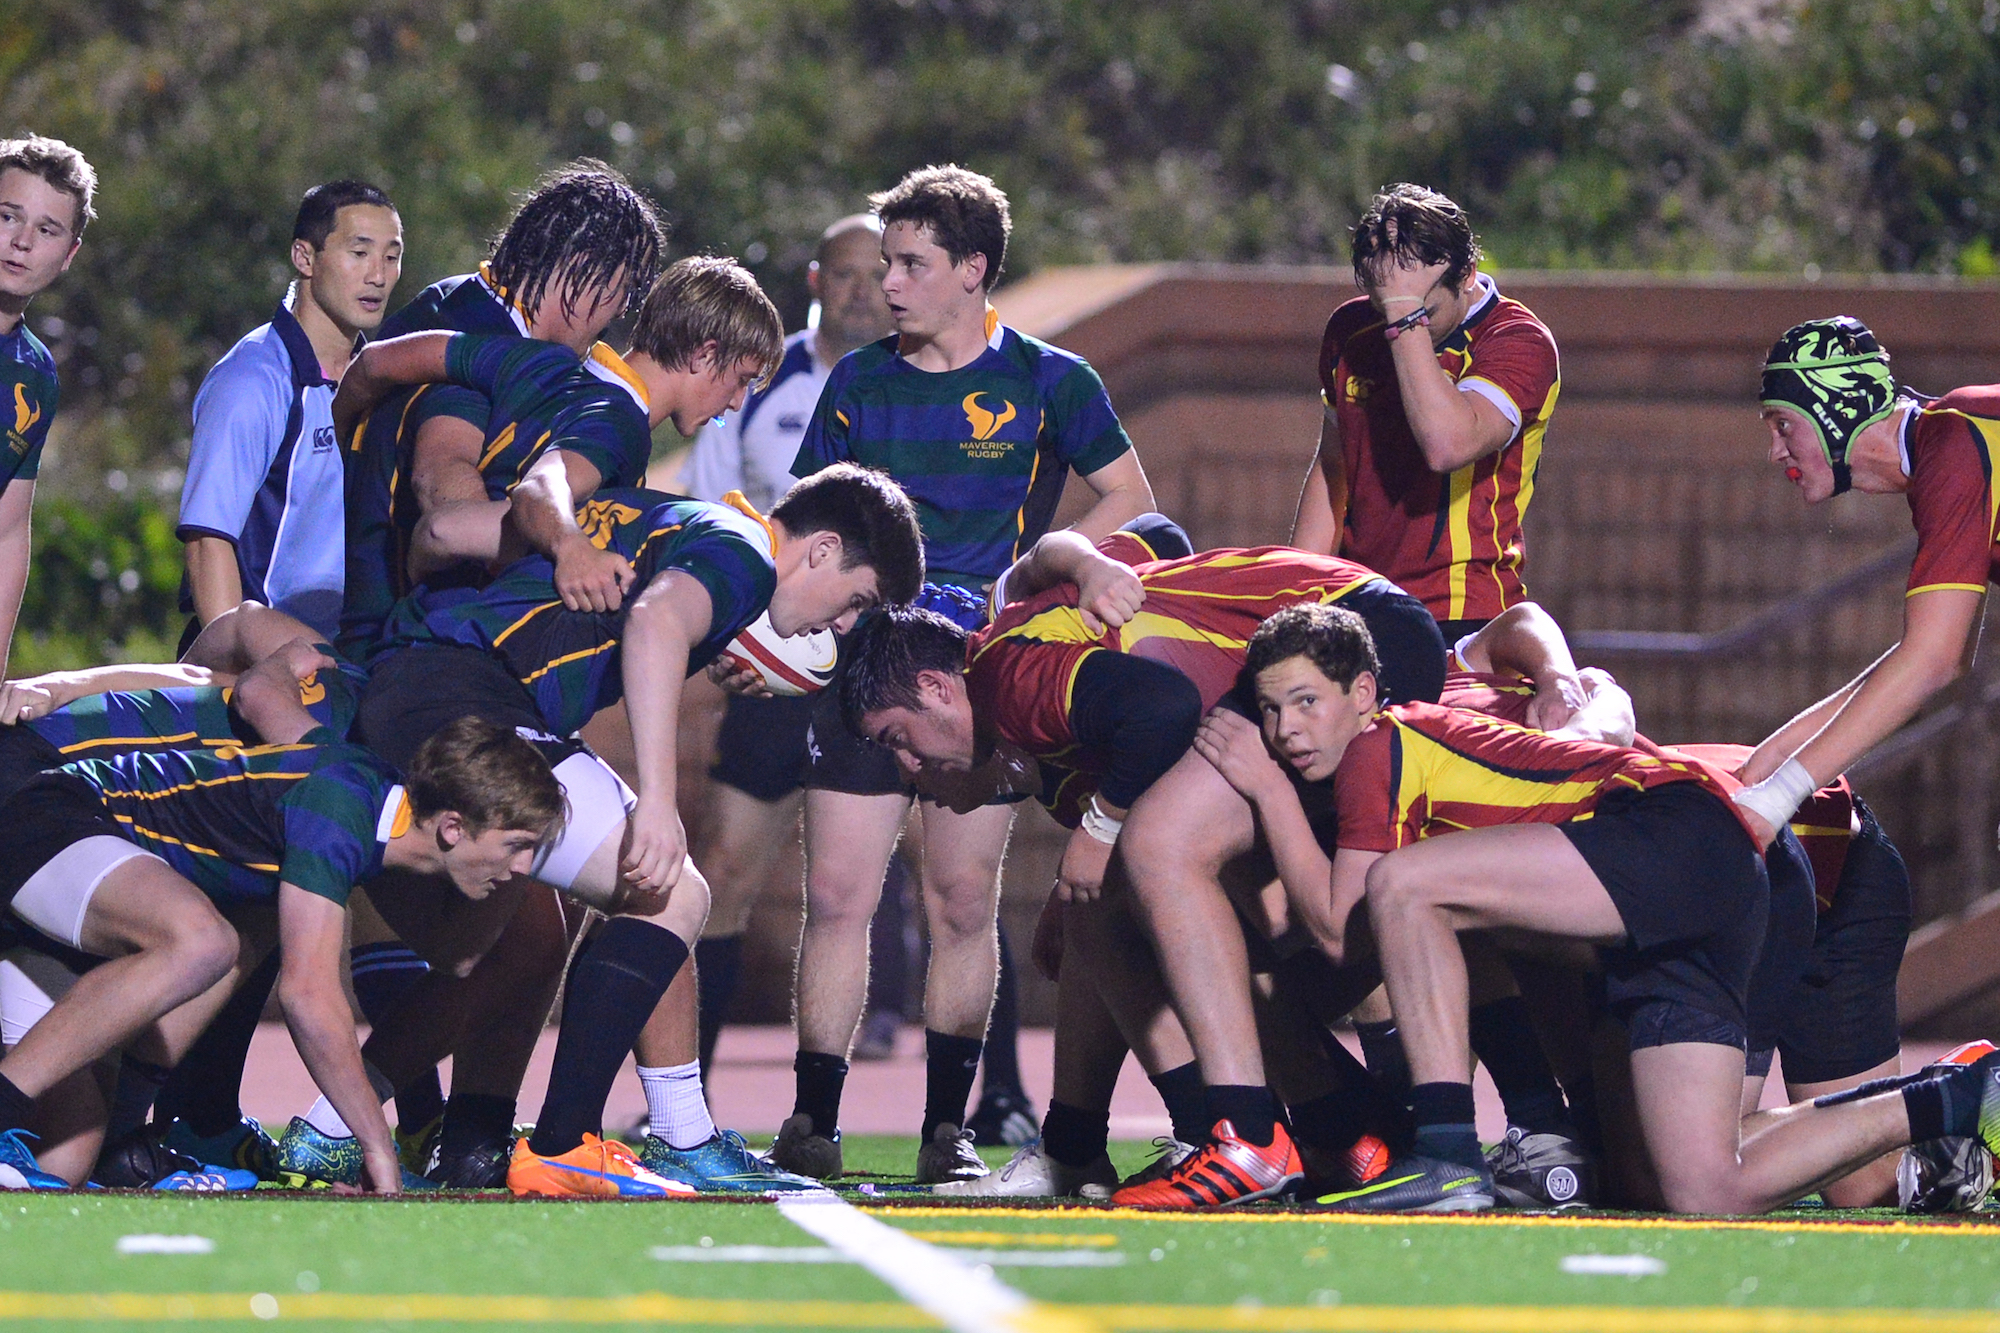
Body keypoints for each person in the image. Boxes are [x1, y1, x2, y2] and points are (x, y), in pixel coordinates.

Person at [1194, 603, 1998, 1217]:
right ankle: (1952, 1096)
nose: (1285, 729)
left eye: (1303, 701)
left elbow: (1341, 925)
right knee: (1697, 1186)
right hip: (1717, 873)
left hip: (1688, 843)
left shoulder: (1381, 743)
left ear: (1363, 692)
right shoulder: (1440, 757)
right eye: (1270, 712)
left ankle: (1446, 1156)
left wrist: (1265, 793)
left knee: (1404, 883)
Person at [352, 462, 921, 1198]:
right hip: (474, 699)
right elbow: (655, 621)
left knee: (512, 940)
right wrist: (658, 798)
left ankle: (338, 1126)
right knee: (672, 893)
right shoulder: (745, 553)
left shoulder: (676, 515)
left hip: (415, 680)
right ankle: (571, 1143)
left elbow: (441, 530)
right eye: (855, 599)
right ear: (820, 549)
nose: (841, 626)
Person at [843, 529, 1444, 1205]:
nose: (907, 767)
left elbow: (1162, 703)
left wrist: (1099, 830)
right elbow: (1148, 552)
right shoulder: (1039, 715)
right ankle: (1334, 1131)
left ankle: (1245, 1137)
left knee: (1157, 849)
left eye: (898, 738)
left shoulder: (1004, 671)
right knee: (1101, 903)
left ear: (935, 685)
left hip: (1351, 638)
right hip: (1343, 641)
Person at [777, 164, 1155, 1185]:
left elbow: (1127, 493)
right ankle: (811, 1120)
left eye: (911, 263)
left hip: (977, 682)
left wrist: (1032, 584)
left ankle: (948, 1131)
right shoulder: (859, 382)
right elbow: (804, 528)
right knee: (839, 891)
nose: (887, 283)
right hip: (866, 674)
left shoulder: (1048, 378)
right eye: (887, 261)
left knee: (957, 899)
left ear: (972, 270)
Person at [0, 647, 562, 1194]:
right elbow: (310, 998)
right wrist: (374, 1149)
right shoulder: (339, 813)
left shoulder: (357, 789)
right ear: (452, 829)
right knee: (203, 941)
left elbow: (263, 695)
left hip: (72, 875)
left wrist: (279, 667)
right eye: (516, 845)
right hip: (50, 816)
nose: (521, 869)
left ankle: (117, 1138)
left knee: (67, 1160)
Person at [676, 213, 905, 1081]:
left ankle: (983, 1109)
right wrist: (734, 637)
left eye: (873, 272)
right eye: (841, 273)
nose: (857, 289)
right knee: (724, 865)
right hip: (776, 663)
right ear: (815, 280)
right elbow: (714, 514)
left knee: (947, 871)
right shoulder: (758, 386)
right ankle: (681, 1096)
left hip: (886, 665)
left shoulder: (921, 387)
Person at [337, 159, 663, 660]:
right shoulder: (487, 342)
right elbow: (443, 480)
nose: (620, 310)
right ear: (580, 265)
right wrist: (557, 551)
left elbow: (365, 372)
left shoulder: (451, 296)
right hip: (392, 636)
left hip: (361, 603)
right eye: (622, 289)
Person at [1734, 318, 1995, 845]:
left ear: (1833, 409)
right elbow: (1938, 653)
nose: (1775, 451)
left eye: (1783, 425)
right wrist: (1776, 754)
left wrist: (1774, 799)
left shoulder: (1955, 443)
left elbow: (1932, 662)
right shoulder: (1947, 445)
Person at [1291, 184, 1560, 641]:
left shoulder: (1519, 341)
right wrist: (1294, 593)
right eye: (1384, 299)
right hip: (1358, 602)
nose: (1394, 317)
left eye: (1423, 307)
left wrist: (1402, 314)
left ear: (1468, 274)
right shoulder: (1352, 329)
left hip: (1463, 611)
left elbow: (1446, 444)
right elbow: (1334, 466)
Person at [177, 181, 403, 643]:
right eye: (359, 253)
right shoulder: (253, 379)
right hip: (265, 668)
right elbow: (206, 543)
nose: (378, 275)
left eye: (392, 256)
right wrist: (240, 662)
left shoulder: (386, 381)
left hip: (351, 660)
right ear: (304, 258)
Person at [0, 133, 95, 683]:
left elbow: (8, 534)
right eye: (8, 216)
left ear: (68, 254)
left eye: (46, 229)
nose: (21, 242)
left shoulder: (35, 377)